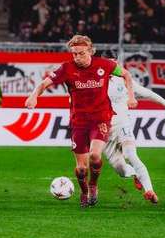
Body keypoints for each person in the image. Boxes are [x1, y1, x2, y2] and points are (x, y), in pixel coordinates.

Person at [25, 35, 136, 208]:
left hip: (101, 118)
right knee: (82, 168)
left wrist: (131, 96)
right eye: (74, 54)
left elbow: (126, 75)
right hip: (79, 122)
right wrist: (34, 96)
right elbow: (44, 84)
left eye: (81, 53)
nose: (77, 57)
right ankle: (84, 191)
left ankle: (93, 185)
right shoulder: (66, 68)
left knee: (95, 155)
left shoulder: (105, 65)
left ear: (90, 51)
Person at [103, 74, 165, 204]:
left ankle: (149, 191)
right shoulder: (94, 81)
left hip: (123, 125)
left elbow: (148, 94)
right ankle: (135, 174)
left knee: (130, 154)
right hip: (104, 131)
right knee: (121, 169)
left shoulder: (123, 80)